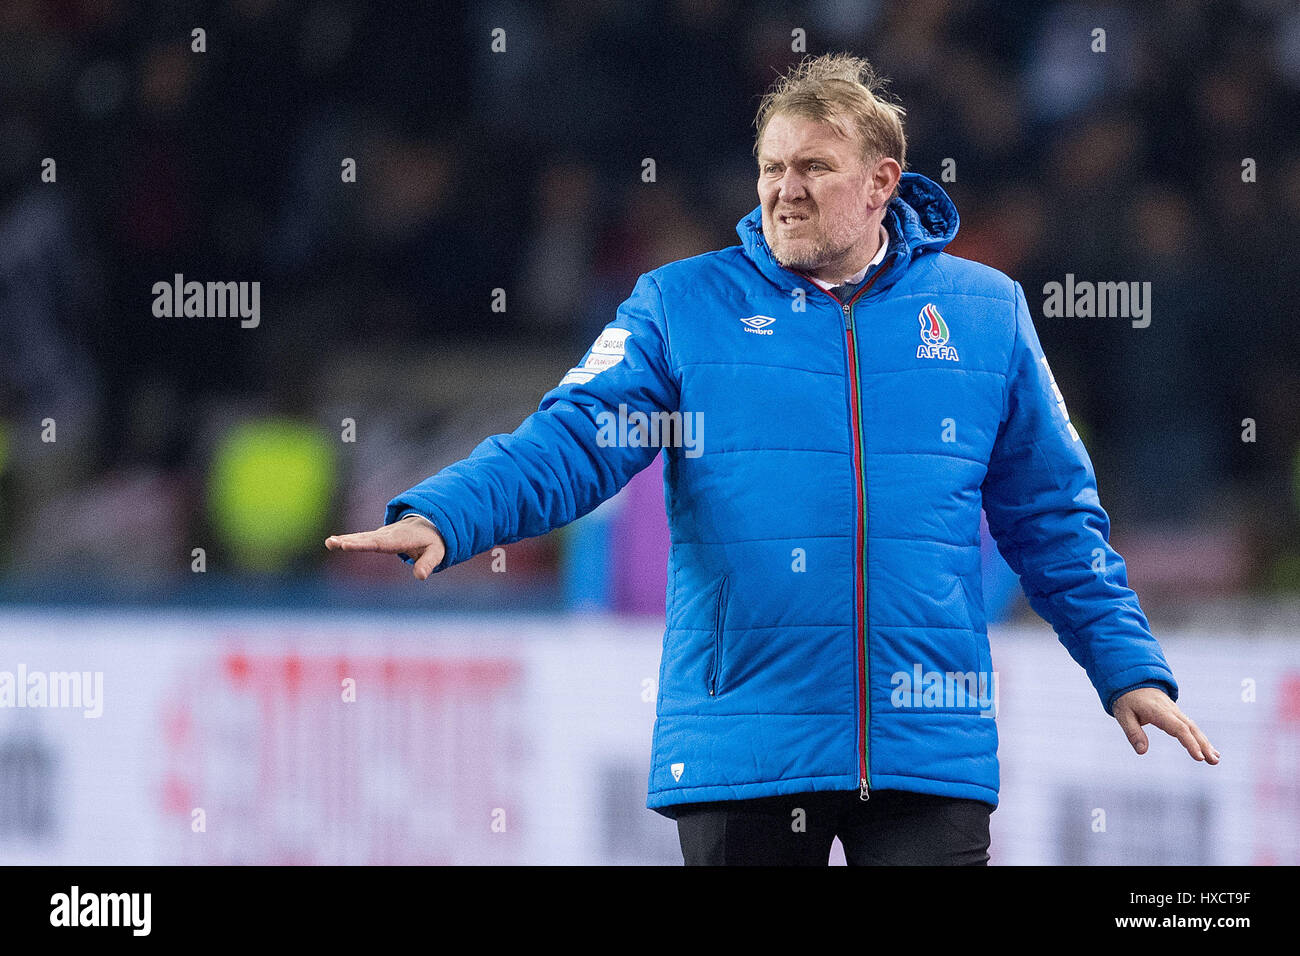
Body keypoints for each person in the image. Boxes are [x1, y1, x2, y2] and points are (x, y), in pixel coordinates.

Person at [325, 53, 1218, 866]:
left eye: (813, 169)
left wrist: (1125, 664)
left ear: (881, 184)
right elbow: (574, 436)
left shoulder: (986, 312)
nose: (783, 191)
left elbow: (1052, 513)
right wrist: (451, 510)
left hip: (926, 744)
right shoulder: (681, 305)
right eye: (771, 169)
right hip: (745, 744)